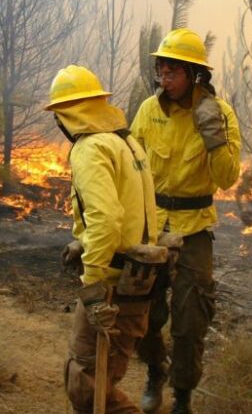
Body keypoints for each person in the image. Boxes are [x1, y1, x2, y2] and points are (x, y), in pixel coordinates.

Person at [130, 28, 242, 414]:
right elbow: (132, 168)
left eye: (172, 72)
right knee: (142, 312)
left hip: (194, 229)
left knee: (190, 321)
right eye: (161, 70)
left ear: (194, 74)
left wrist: (213, 134)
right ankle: (154, 372)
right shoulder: (148, 111)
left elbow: (228, 178)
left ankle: (182, 395)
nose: (164, 79)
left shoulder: (220, 114)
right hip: (152, 227)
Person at [51, 65, 163, 414]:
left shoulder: (90, 149)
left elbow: (106, 219)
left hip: (112, 284)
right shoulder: (125, 142)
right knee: (94, 380)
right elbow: (130, 213)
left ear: (66, 114)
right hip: (138, 279)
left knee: (86, 385)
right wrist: (82, 241)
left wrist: (93, 283)